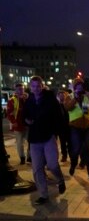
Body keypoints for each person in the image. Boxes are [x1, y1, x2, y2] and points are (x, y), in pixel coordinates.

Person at [22, 76, 66, 204]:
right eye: (33, 86)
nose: (36, 89)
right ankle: (43, 194)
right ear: (30, 87)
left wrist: (56, 132)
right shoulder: (29, 99)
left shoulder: (50, 99)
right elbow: (25, 114)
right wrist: (26, 120)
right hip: (35, 138)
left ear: (42, 86)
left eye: (38, 86)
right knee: (37, 168)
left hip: (48, 136)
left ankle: (60, 179)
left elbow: (59, 116)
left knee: (52, 165)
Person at [64, 79, 89, 180]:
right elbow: (67, 108)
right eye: (78, 88)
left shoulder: (87, 97)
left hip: (87, 127)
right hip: (75, 127)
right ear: (74, 88)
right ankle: (73, 164)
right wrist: (75, 98)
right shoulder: (70, 97)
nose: (80, 89)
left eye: (81, 88)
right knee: (75, 149)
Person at [6, 83, 29, 165]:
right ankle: (22, 157)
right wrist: (13, 122)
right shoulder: (12, 100)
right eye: (19, 89)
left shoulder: (27, 98)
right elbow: (9, 113)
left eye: (22, 89)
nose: (21, 90)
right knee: (20, 143)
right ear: (15, 90)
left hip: (27, 124)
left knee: (31, 141)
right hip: (18, 125)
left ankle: (29, 157)